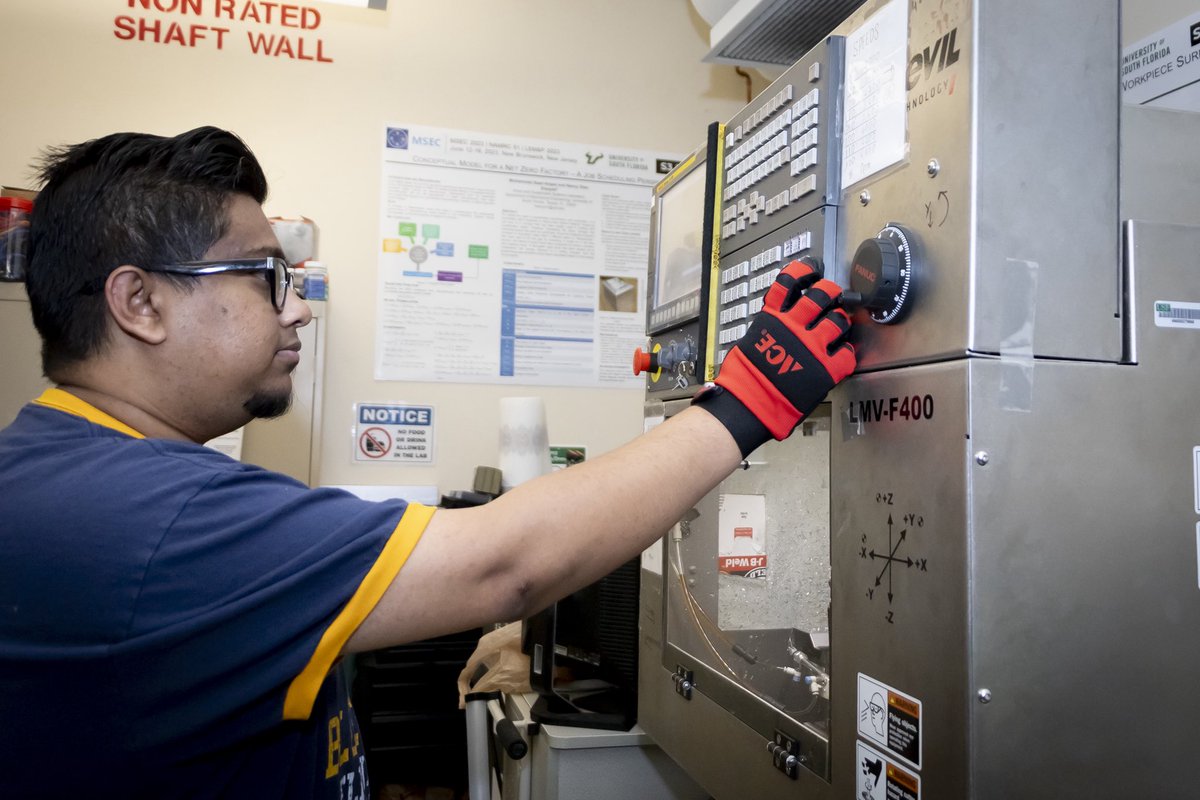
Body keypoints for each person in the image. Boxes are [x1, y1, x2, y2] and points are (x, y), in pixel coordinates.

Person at [0, 126, 856, 798]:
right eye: (267, 276)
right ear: (139, 301)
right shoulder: (148, 520)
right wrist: (753, 397)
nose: (297, 309)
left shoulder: (71, 474)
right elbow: (501, 562)